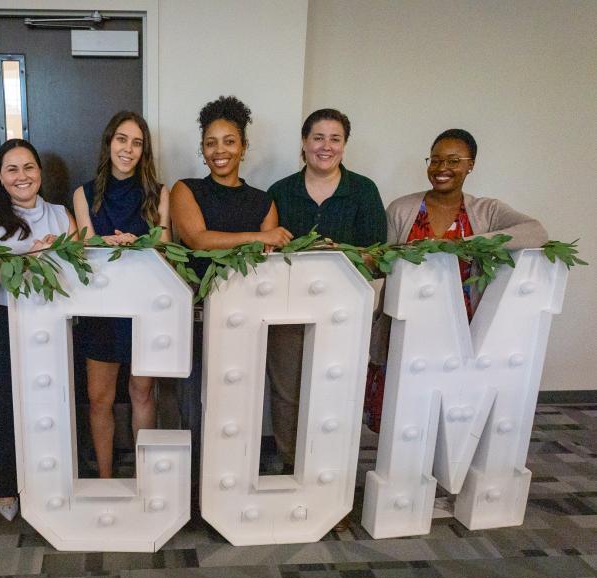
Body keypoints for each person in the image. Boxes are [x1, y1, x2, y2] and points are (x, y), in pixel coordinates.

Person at [367, 128, 549, 430]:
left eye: (453, 161)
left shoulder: (486, 210)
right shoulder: (402, 209)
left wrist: (466, 244)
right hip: (405, 327)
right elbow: (384, 263)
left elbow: (536, 232)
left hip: (461, 327)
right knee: (402, 422)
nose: (442, 168)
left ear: (470, 165)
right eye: (435, 160)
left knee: (451, 416)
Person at [170, 95, 292, 479]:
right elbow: (198, 240)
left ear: (243, 146)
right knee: (196, 404)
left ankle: (233, 480)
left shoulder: (263, 201)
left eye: (228, 141)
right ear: (202, 149)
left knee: (239, 403)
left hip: (247, 319)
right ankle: (194, 487)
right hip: (198, 315)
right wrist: (259, 236)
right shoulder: (185, 189)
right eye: (210, 143)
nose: (219, 150)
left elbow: (268, 263)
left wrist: (265, 238)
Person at [266, 108, 387, 475]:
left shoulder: (363, 191)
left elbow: (379, 257)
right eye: (318, 137)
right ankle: (291, 463)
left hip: (343, 311)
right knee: (287, 389)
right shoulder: (280, 191)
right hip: (287, 307)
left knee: (336, 387)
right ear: (304, 143)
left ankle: (330, 467)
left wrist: (340, 256)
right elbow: (266, 252)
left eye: (335, 139)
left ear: (344, 146)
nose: (326, 146)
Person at [0, 138, 76, 520]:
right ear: (0, 176)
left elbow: (82, 266)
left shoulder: (60, 215)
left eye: (28, 167)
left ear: (40, 172)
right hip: (1, 323)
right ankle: (4, 487)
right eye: (11, 169)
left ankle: (52, 481)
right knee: (1, 405)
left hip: (52, 321)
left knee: (52, 402)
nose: (21, 176)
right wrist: (30, 256)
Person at [73, 112, 171, 479]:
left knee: (142, 392)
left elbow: (165, 246)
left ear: (144, 151)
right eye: (121, 139)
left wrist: (141, 244)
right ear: (109, 143)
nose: (128, 149)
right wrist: (107, 242)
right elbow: (84, 245)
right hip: (101, 307)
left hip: (146, 306)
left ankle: (145, 480)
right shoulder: (83, 193)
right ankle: (105, 479)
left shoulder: (159, 192)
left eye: (137, 143)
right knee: (100, 399)